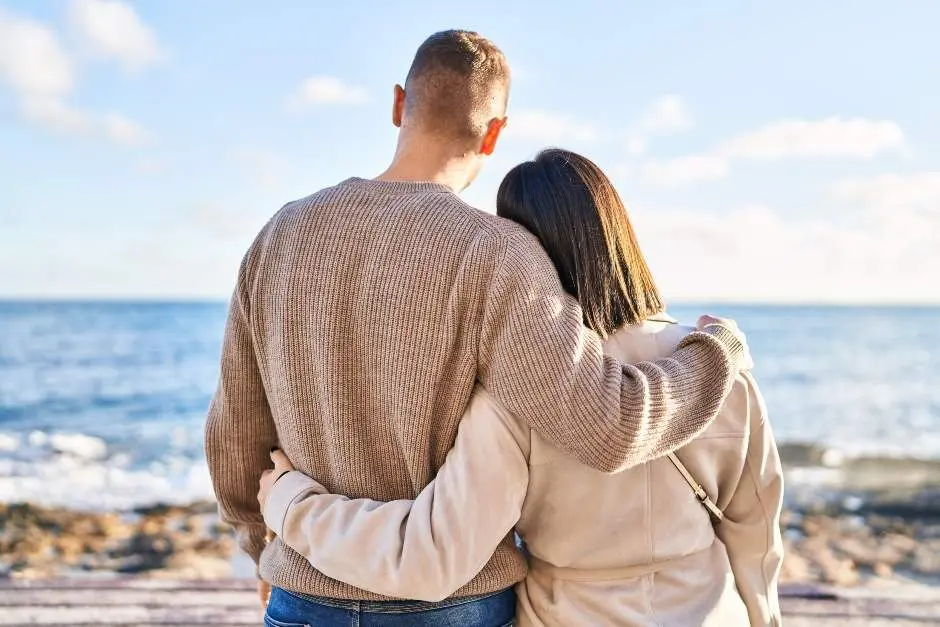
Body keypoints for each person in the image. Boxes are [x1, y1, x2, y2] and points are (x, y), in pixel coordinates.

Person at [205, 29, 750, 627]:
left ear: (397, 105)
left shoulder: (280, 235)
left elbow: (236, 435)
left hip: (303, 593)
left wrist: (264, 548)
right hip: (453, 607)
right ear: (495, 133)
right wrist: (715, 352)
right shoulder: (500, 255)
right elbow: (608, 428)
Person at [258, 150, 783, 626]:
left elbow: (433, 554)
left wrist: (291, 506)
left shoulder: (516, 395)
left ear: (525, 255)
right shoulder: (717, 366)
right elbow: (757, 539)